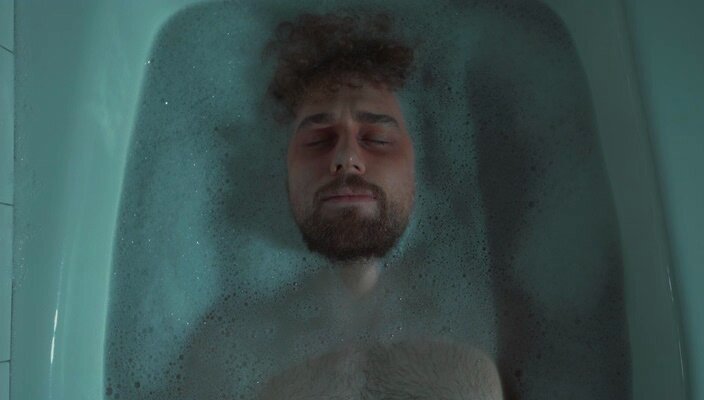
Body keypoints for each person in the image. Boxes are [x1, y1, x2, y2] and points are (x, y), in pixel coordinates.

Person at [258, 10, 504, 399]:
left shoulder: (501, 320)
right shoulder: (225, 347)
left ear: (418, 168)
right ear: (284, 173)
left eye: (376, 138)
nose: (346, 158)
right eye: (318, 140)